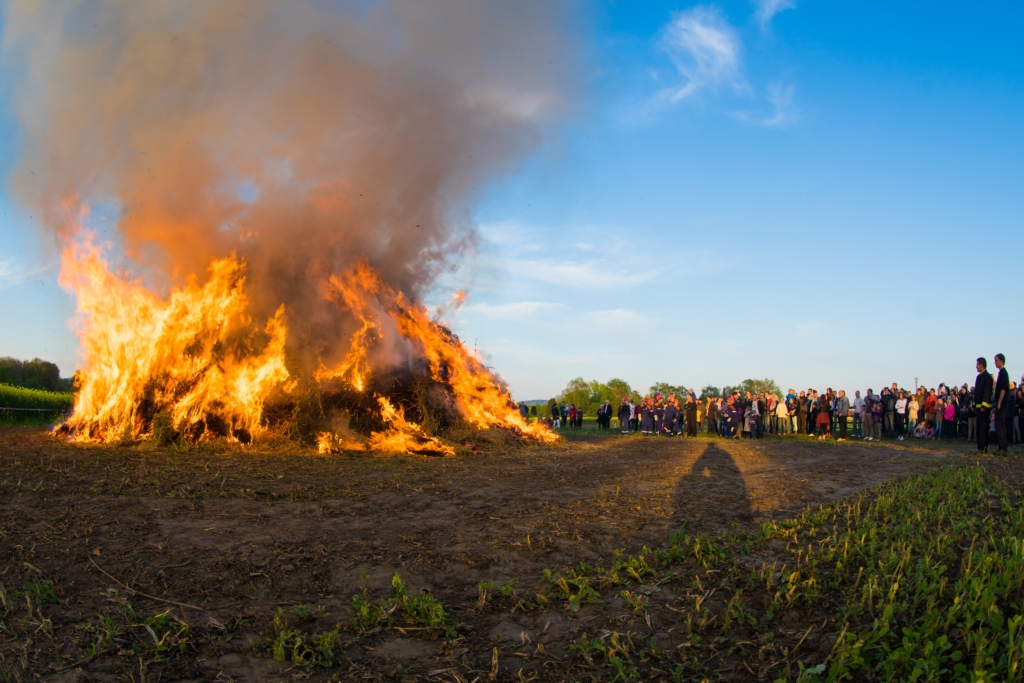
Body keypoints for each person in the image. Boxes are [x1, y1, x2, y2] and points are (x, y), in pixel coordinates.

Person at [974, 357, 994, 453]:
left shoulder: (987, 377)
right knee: (978, 428)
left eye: (977, 365)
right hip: (978, 407)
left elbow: (987, 392)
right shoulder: (979, 377)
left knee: (983, 429)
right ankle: (979, 447)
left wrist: (983, 405)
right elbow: (977, 392)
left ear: (981, 365)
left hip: (984, 408)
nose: (976, 367)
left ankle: (983, 448)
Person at [994, 353, 1010, 454]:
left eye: (996, 360)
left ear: (1001, 361)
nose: (995, 363)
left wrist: (999, 402)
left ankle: (1002, 448)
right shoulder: (1001, 373)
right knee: (1000, 425)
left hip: (1002, 403)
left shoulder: (1004, 373)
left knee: (999, 425)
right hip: (1001, 403)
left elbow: (1003, 389)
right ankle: (1002, 447)